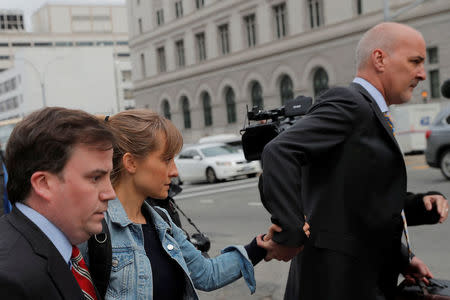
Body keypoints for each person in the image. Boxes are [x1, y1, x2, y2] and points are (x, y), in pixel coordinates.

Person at [257, 22, 449, 300]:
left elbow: (361, 205)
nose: (421, 73)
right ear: (380, 59)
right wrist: (291, 233)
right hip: (338, 285)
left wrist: (414, 228)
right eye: (415, 61)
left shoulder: (371, 113)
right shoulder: (350, 103)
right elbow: (278, 153)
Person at [81, 109, 268, 300]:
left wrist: (260, 247)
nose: (175, 171)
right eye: (166, 159)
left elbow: (207, 274)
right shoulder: (92, 229)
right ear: (131, 162)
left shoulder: (162, 221)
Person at [0, 107, 116, 299]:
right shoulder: (11, 280)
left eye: (109, 176)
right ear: (43, 184)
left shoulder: (65, 252)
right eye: (95, 178)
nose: (110, 193)